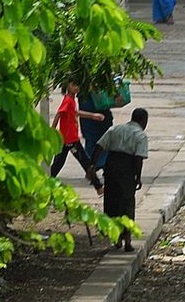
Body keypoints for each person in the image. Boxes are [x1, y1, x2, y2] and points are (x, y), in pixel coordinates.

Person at [89, 107, 150, 252]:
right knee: (127, 204)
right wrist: (138, 177)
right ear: (143, 121)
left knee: (111, 202)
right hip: (127, 170)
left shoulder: (115, 129)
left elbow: (99, 146)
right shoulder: (140, 135)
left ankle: (116, 239)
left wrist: (92, 165)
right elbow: (138, 158)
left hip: (111, 167)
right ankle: (127, 241)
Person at [51, 79, 104, 195]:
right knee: (85, 162)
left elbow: (75, 113)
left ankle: (46, 183)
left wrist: (93, 116)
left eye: (77, 85)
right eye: (74, 85)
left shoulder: (71, 100)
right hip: (70, 140)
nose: (76, 87)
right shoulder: (68, 100)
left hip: (67, 139)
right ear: (67, 86)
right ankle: (98, 186)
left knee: (58, 164)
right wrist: (52, 130)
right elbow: (59, 114)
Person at [79, 90, 114, 171]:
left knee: (103, 139)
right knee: (93, 140)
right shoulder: (83, 88)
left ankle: (97, 165)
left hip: (101, 115)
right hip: (91, 115)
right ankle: (94, 165)